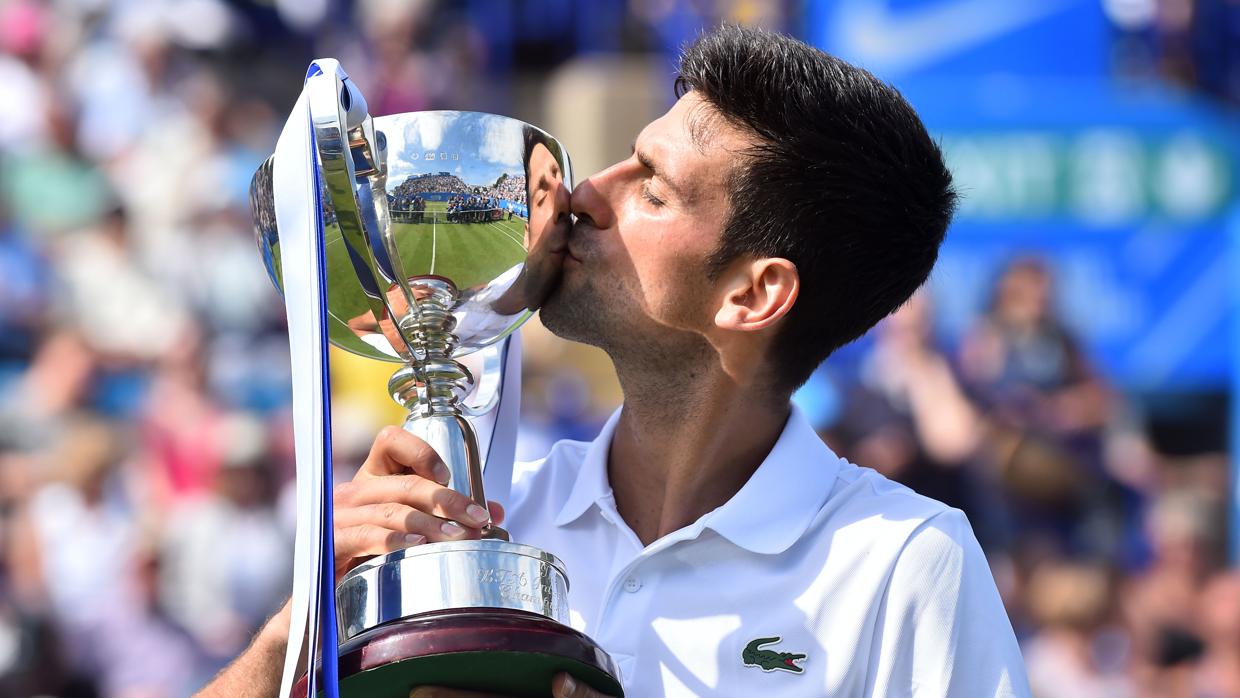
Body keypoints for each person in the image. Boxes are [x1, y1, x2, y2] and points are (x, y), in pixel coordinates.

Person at [199, 26, 1029, 697]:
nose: (586, 191)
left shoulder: (902, 562)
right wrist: (303, 622)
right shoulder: (488, 524)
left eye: (653, 188)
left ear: (753, 294)